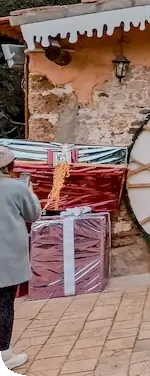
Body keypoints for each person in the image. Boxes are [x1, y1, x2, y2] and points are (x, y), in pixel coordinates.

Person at [0, 147, 41, 371]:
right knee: (5, 305)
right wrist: (31, 193)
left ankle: (5, 353)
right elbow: (33, 215)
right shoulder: (17, 187)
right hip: (7, 257)